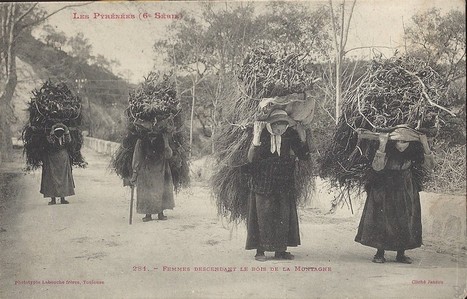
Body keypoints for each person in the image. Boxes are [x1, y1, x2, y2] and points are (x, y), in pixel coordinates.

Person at [355, 125, 435, 264]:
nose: (401, 145)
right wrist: (382, 144)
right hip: (385, 183)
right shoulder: (387, 148)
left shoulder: (413, 152)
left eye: (405, 142)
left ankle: (401, 254)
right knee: (383, 217)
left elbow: (430, 166)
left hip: (405, 184)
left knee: (404, 217)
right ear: (394, 141)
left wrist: (425, 145)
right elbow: (377, 167)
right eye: (398, 141)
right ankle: (380, 253)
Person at [246, 109, 310, 261]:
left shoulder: (290, 135)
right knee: (263, 216)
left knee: (283, 216)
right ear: (271, 125)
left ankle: (280, 250)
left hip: (284, 182)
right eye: (277, 125)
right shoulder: (261, 135)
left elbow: (304, 156)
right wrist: (256, 139)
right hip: (263, 182)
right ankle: (260, 251)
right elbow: (251, 159)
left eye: (284, 125)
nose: (280, 129)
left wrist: (302, 138)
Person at [129, 119, 175, 222]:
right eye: (149, 132)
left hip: (161, 168)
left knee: (161, 188)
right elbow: (137, 156)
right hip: (147, 168)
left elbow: (168, 155)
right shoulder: (141, 141)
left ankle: (160, 212)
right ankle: (148, 214)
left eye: (154, 132)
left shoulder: (162, 139)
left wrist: (166, 143)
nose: (152, 134)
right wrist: (135, 172)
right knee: (146, 189)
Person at [40, 123, 75, 205]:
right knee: (52, 177)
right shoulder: (52, 138)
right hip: (53, 159)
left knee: (62, 178)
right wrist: (55, 129)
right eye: (57, 132)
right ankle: (54, 199)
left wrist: (64, 128)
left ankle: (62, 198)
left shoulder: (64, 138)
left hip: (62, 158)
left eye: (61, 132)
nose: (59, 134)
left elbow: (69, 140)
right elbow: (50, 142)